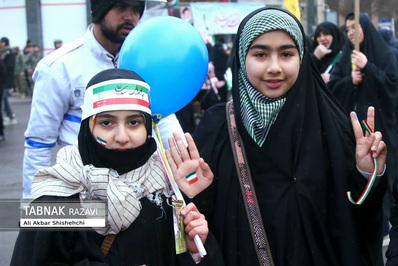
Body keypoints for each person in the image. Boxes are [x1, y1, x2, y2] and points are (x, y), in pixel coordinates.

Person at [192, 7, 387, 265]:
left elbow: (359, 220)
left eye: (286, 54)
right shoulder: (216, 127)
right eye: (260, 54)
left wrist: (367, 174)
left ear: (302, 57)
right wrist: (192, 193)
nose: (274, 67)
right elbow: (200, 224)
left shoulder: (332, 126)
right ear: (242, 56)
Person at [11, 68, 224, 265]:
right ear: (88, 127)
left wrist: (193, 248)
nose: (122, 137)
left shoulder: (165, 191)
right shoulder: (57, 197)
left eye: (134, 123)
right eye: (106, 123)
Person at [22, 0, 186, 199]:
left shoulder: (148, 60)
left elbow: (165, 119)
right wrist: (34, 210)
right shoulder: (59, 67)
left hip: (143, 192)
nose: (130, 16)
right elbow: (39, 143)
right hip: (85, 196)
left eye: (136, 9)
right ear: (98, 10)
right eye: (121, 7)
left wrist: (187, 170)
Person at [328, 12, 398, 238]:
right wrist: (350, 80)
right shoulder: (345, 55)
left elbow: (392, 86)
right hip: (354, 128)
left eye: (355, 28)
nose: (351, 33)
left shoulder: (384, 54)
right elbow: (334, 87)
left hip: (382, 126)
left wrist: (368, 67)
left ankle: (385, 217)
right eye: (347, 29)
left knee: (381, 168)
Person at [0, 37, 17, 125]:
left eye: (2, 42)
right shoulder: (2, 52)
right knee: (4, 99)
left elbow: (10, 66)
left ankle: (5, 117)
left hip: (6, 79)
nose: (1, 44)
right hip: (3, 79)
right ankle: (10, 116)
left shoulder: (9, 53)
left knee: (3, 99)